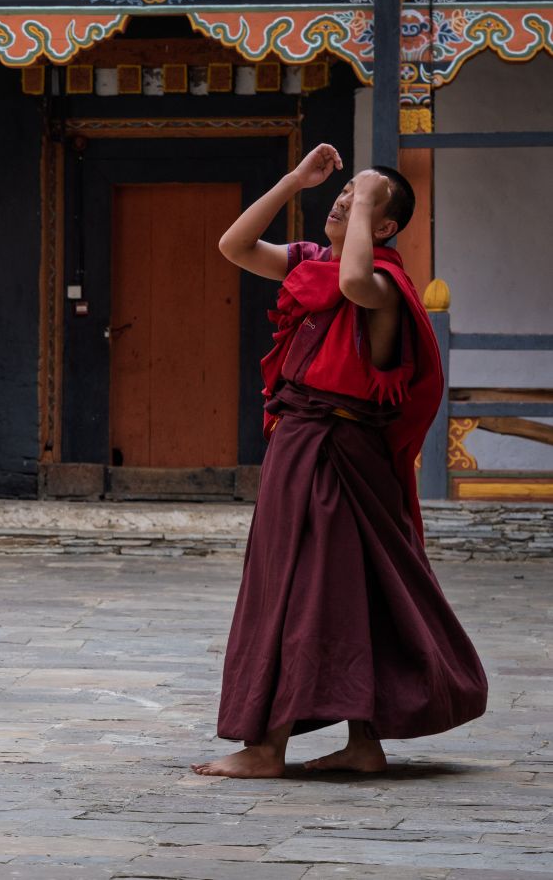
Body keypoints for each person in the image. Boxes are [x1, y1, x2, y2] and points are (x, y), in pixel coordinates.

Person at [192, 144, 486, 778]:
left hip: (340, 449)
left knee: (315, 589)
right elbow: (234, 247)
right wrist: (295, 180)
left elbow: (354, 281)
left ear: (383, 226)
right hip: (302, 444)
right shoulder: (311, 266)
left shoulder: (383, 285)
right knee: (329, 589)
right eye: (345, 188)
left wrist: (366, 206)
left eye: (363, 197)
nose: (345, 197)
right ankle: (362, 743)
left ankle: (269, 748)